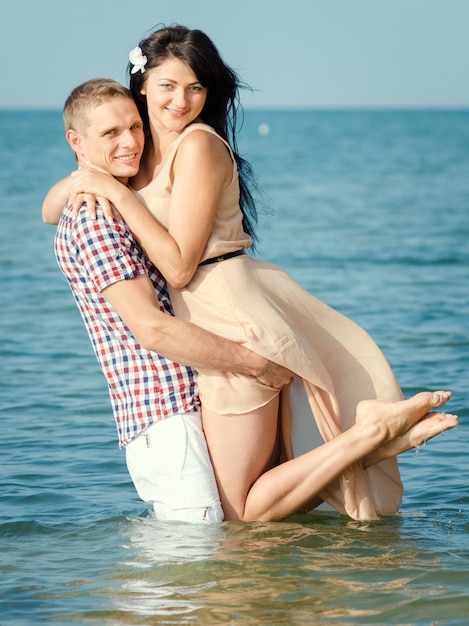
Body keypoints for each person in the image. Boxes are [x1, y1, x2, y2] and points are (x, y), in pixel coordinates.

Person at [43, 30, 457, 523]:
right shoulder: (142, 147)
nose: (181, 100)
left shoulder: (196, 147)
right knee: (265, 481)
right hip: (211, 313)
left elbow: (178, 265)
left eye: (195, 88)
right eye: (169, 86)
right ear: (142, 86)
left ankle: (365, 437)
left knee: (241, 510)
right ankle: (369, 442)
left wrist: (118, 195)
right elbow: (52, 212)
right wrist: (84, 182)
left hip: (228, 316)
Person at [49, 77, 296, 524]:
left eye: (135, 128)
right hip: (165, 421)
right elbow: (152, 328)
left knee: (224, 555)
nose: (130, 143)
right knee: (190, 575)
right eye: (111, 134)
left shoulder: (118, 200)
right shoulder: (96, 219)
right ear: (77, 143)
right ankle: (367, 437)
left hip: (185, 406)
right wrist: (257, 365)